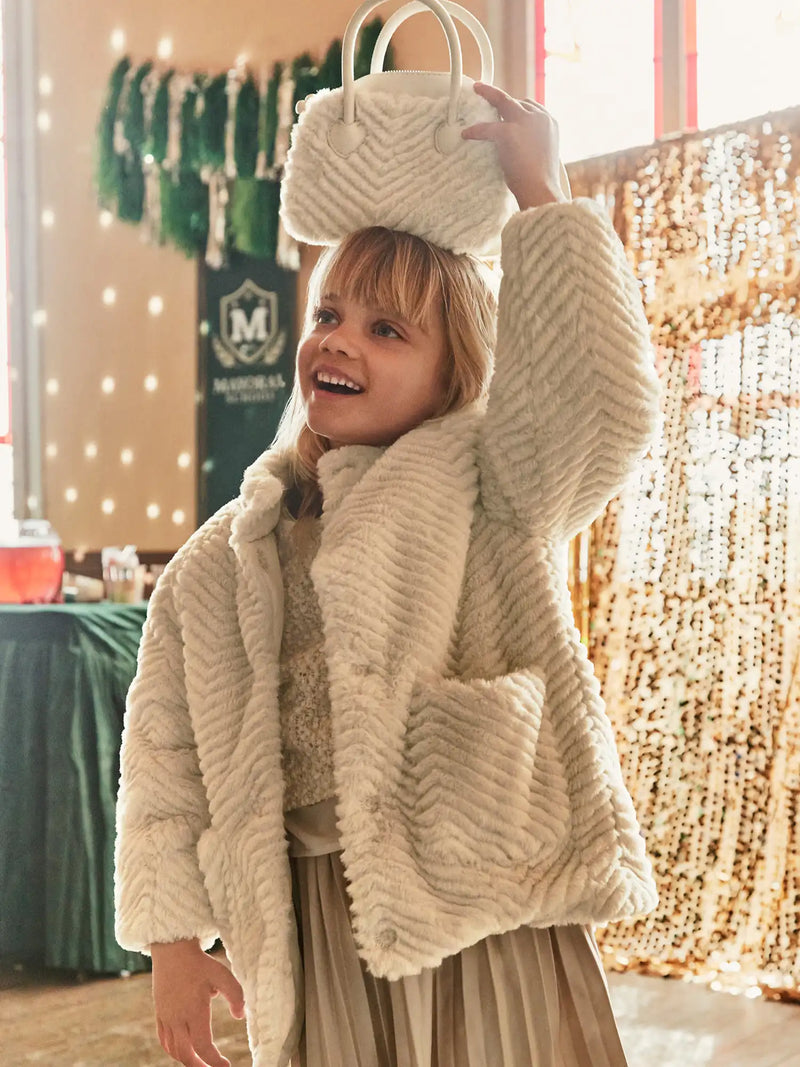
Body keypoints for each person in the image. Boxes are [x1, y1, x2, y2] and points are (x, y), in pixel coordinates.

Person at [115, 82, 661, 1067]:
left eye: (387, 329)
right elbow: (165, 751)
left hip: (482, 908)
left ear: (456, 371)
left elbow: (601, 407)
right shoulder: (222, 560)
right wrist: (171, 940)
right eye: (329, 311)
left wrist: (543, 198)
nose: (337, 338)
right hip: (312, 928)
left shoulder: (493, 488)